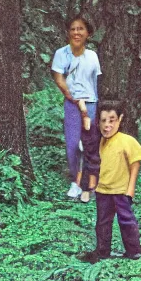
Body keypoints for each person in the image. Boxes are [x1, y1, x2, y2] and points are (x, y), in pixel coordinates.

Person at [80, 101, 141, 263]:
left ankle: (134, 251)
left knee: (126, 220)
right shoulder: (99, 141)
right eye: (103, 121)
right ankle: (102, 250)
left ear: (120, 119)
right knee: (103, 222)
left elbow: (135, 163)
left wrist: (130, 189)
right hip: (102, 191)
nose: (107, 125)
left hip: (121, 191)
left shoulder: (127, 141)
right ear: (98, 122)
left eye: (112, 120)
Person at [51, 16, 102, 202]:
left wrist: (94, 106)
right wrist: (72, 98)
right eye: (73, 29)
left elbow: (96, 82)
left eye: (80, 29)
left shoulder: (93, 56)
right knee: (73, 145)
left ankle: (89, 184)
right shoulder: (61, 54)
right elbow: (58, 78)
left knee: (89, 145)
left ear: (87, 33)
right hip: (72, 104)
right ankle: (75, 181)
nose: (76, 32)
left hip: (91, 104)